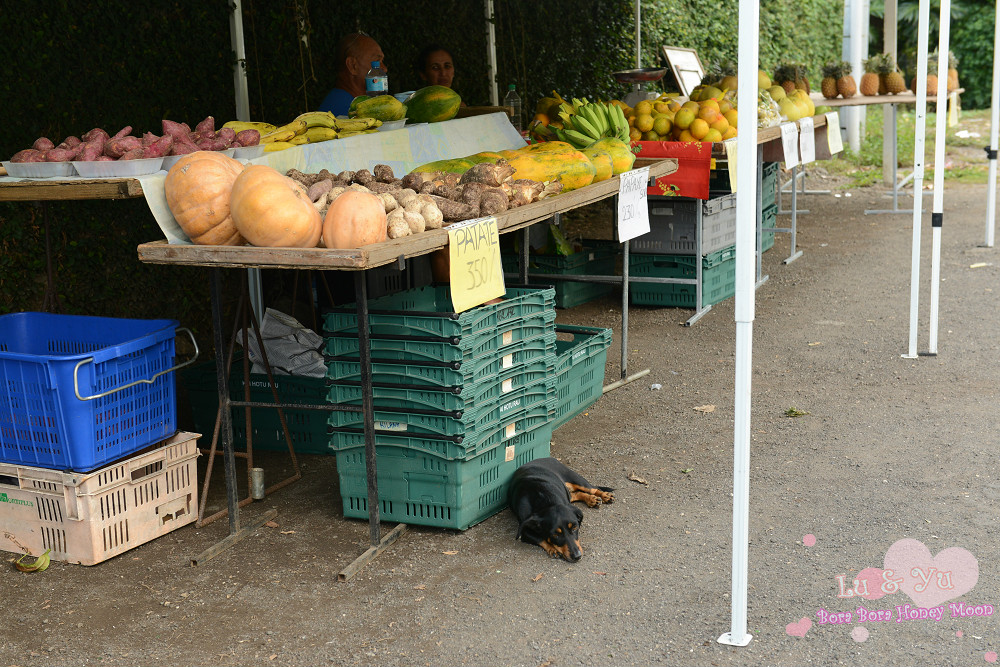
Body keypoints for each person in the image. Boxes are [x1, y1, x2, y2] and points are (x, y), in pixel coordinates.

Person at [318, 32, 387, 116]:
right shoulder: (343, 111)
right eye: (377, 61)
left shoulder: (355, 104)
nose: (384, 69)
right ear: (352, 65)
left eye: (382, 61)